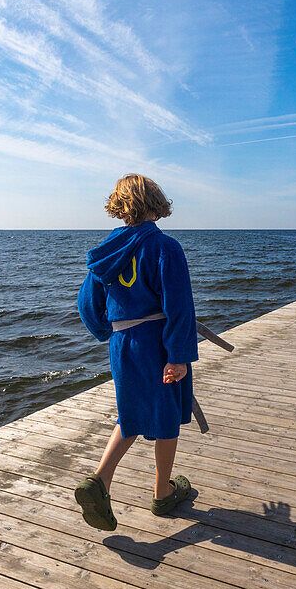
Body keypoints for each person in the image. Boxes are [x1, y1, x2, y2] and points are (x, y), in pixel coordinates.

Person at [74, 174, 198, 530]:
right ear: (157, 202)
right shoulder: (165, 248)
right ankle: (162, 493)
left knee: (131, 412)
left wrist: (107, 331)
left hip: (122, 344)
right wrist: (177, 355)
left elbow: (86, 304)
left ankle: (99, 482)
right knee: (168, 414)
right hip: (156, 344)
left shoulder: (107, 251)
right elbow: (180, 307)